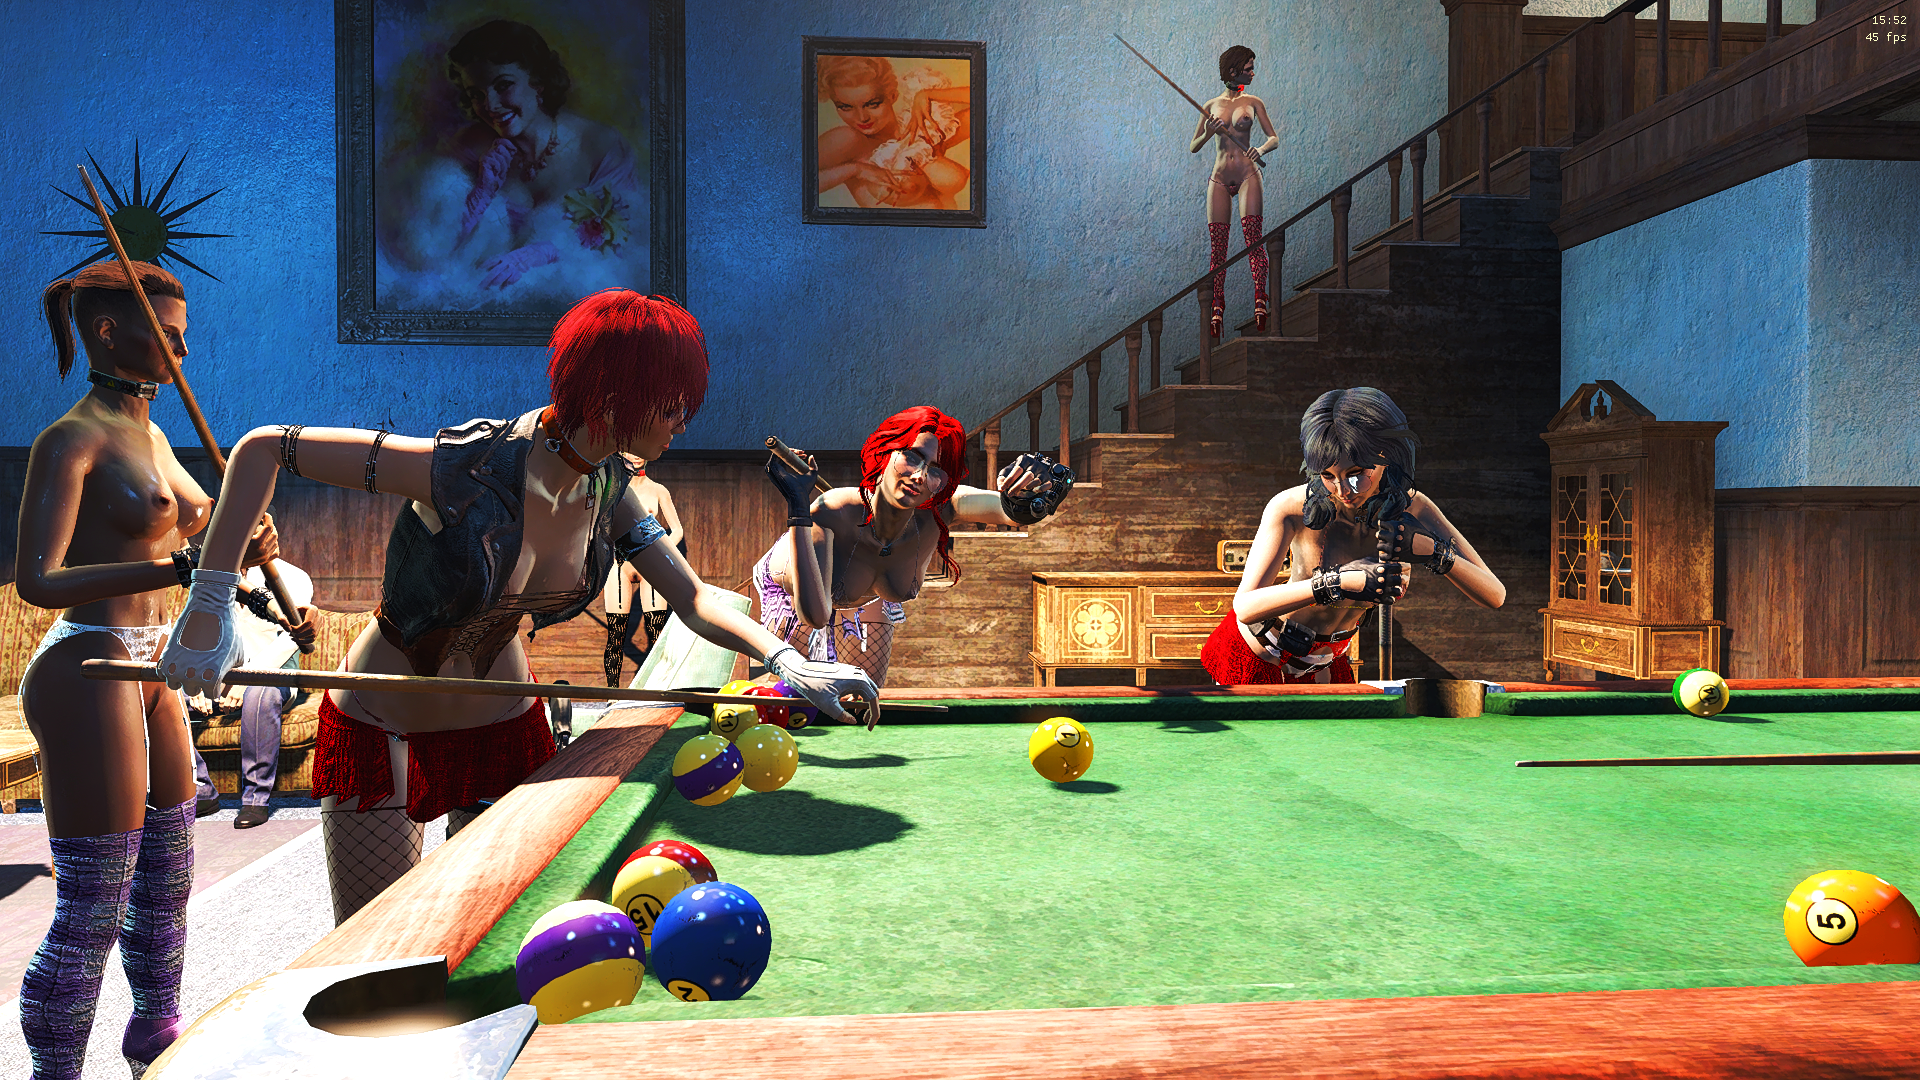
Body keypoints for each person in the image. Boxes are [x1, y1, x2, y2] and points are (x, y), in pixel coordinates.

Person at [157, 290, 879, 925]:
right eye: (670, 405)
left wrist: (790, 662)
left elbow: (691, 598)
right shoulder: (459, 468)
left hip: (505, 727)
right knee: (377, 961)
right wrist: (208, 602)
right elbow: (264, 449)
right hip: (385, 721)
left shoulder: (610, 490)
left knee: (491, 939)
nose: (682, 423)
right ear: (613, 395)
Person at [17, 259, 286, 1077]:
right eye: (168, 337)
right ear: (108, 332)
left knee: (168, 876)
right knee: (96, 900)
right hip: (90, 662)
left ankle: (154, 1035)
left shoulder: (155, 436)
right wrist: (177, 568)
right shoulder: (70, 440)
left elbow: (200, 522)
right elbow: (38, 581)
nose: (184, 353)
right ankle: (55, 1070)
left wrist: (247, 534)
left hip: (151, 662)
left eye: (184, 336)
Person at [1201, 387, 1506, 685]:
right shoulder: (1291, 506)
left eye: (1356, 473)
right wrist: (1339, 581)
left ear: (1386, 456)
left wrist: (1435, 553)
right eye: (1328, 476)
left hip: (1326, 664)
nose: (1343, 490)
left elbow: (1495, 595)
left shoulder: (1415, 507)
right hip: (1259, 655)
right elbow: (1245, 607)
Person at [754, 406, 1073, 688]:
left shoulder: (941, 509)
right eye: (911, 456)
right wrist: (798, 505)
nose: (920, 476)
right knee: (789, 698)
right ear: (885, 453)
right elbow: (815, 615)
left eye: (934, 469)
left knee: (861, 698)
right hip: (796, 590)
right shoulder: (831, 511)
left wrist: (1031, 496)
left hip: (864, 594)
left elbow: (1009, 511)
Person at [378, 19, 645, 308]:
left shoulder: (598, 145)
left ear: (538, 82)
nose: (491, 105)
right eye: (477, 95)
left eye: (503, 85)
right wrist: (481, 194)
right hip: (485, 297)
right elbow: (429, 253)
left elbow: (626, 243)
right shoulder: (469, 148)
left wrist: (540, 253)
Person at [188, 560, 317, 829]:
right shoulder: (212, 572)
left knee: (261, 694)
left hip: (273, 673)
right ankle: (200, 788)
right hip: (218, 674)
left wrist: (247, 681)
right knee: (169, 694)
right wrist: (195, 680)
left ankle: (255, 799)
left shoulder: (292, 577)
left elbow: (291, 639)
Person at [1190, 45, 1280, 337]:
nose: (1253, 73)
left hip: (1247, 175)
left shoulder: (1253, 101)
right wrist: (1208, 132)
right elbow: (1193, 146)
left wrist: (1260, 149)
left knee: (1254, 239)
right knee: (1218, 248)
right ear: (1233, 70)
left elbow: (1274, 137)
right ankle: (1217, 304)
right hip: (1219, 179)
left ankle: (1260, 298)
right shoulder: (1211, 105)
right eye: (1249, 68)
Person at [816, 55, 972, 210]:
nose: (862, 118)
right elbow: (801, 183)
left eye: (873, 104)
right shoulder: (849, 139)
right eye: (846, 107)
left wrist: (926, 95)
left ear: (892, 96)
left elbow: (982, 106)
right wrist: (856, 169)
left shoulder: (923, 130)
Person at [601, 454, 683, 686]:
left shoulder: (658, 490)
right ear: (620, 452)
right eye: (629, 450)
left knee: (657, 633)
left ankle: (658, 691)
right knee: (616, 635)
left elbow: (677, 530)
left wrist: (661, 551)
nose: (635, 456)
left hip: (649, 564)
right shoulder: (611, 489)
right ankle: (611, 695)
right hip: (620, 565)